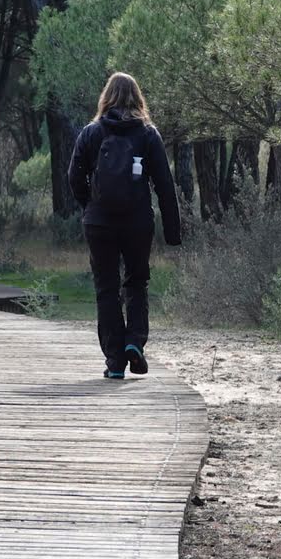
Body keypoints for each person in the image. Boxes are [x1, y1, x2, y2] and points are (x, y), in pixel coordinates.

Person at [67, 72, 181, 379]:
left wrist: (90, 205)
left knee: (106, 288)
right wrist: (173, 231)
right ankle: (135, 343)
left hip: (100, 223)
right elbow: (164, 185)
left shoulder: (91, 132)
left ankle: (115, 361)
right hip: (137, 221)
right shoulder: (147, 134)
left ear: (106, 96)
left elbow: (74, 177)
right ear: (138, 97)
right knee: (136, 282)